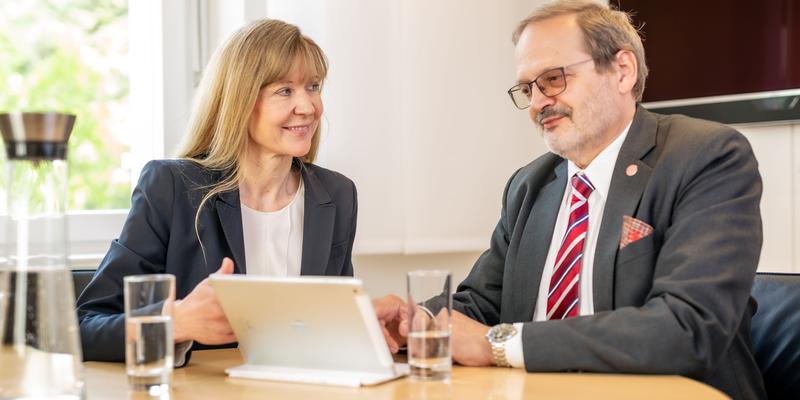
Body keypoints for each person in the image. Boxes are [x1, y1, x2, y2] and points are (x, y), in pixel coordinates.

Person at [375, 1, 765, 398]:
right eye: (528, 88)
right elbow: (481, 303)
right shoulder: (530, 184)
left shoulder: (706, 156)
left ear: (622, 71)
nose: (538, 103)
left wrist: (500, 344)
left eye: (553, 79)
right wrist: (414, 321)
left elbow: (688, 327)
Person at [77, 19, 358, 366]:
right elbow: (85, 326)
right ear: (239, 99)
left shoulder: (335, 195)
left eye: (313, 87)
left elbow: (331, 327)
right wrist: (174, 323)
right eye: (285, 90)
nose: (309, 107)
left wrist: (369, 325)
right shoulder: (171, 187)